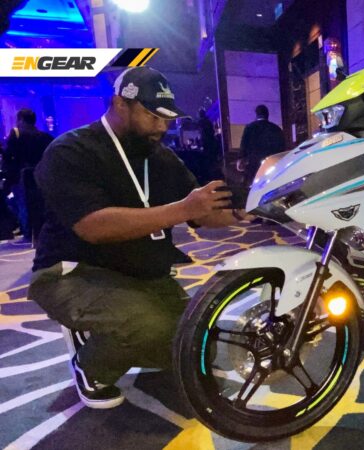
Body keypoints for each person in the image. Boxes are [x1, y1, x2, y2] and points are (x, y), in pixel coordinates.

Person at [27, 66, 247, 409]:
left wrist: (249, 211)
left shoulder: (160, 158)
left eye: (166, 118)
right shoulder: (72, 151)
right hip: (74, 273)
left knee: (199, 342)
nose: (162, 127)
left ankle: (117, 326)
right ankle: (90, 366)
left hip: (143, 275)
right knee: (149, 326)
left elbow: (202, 216)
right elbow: (93, 227)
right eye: (152, 116)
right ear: (120, 104)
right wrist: (182, 208)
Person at [3, 109, 54, 240]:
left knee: (23, 204)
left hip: (23, 176)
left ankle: (28, 232)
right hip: (43, 175)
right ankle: (36, 231)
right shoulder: (45, 137)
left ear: (21, 120)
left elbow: (9, 156)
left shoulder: (17, 137)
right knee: (40, 203)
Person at [239, 104, 285, 185]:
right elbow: (282, 146)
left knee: (254, 183)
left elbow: (244, 144)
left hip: (253, 162)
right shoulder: (276, 129)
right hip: (272, 162)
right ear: (267, 115)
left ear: (256, 114)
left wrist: (241, 158)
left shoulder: (250, 128)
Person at [197, 107, 219, 184]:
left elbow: (202, 133)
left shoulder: (201, 122)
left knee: (207, 161)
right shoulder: (208, 121)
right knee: (212, 161)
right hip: (211, 143)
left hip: (207, 143)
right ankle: (213, 177)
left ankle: (209, 177)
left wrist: (201, 142)